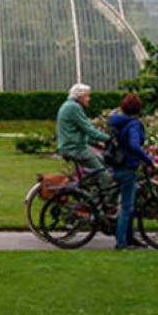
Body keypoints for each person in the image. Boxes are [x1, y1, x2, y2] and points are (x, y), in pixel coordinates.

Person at [56, 83, 118, 216]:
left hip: (74, 146)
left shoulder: (69, 106)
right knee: (105, 176)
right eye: (87, 96)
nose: (89, 99)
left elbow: (78, 132)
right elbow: (88, 129)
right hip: (75, 149)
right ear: (79, 97)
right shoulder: (74, 108)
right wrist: (110, 139)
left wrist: (97, 143)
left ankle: (94, 201)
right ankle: (108, 207)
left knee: (105, 164)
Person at [109, 94, 155, 250]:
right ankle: (121, 241)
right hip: (128, 166)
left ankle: (130, 237)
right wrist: (148, 160)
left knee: (129, 204)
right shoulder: (134, 124)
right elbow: (134, 145)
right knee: (127, 206)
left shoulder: (118, 122)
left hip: (118, 165)